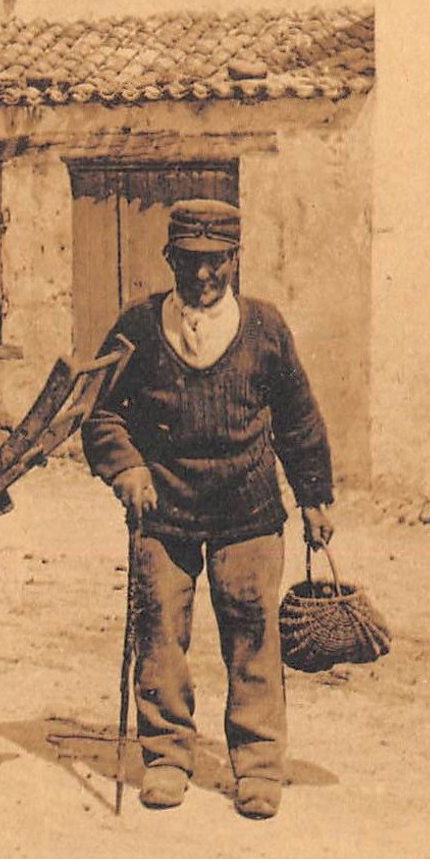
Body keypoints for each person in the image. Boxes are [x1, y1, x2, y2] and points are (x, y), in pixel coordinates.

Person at [82, 199, 335, 820]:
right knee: (160, 630)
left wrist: (315, 497)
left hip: (247, 507)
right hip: (164, 509)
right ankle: (166, 757)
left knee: (252, 631)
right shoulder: (139, 328)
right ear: (170, 259)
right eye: (190, 262)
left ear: (234, 261)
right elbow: (101, 412)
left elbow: (299, 420)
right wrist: (128, 468)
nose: (202, 276)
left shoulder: (266, 328)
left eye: (215, 263)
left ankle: (257, 765)